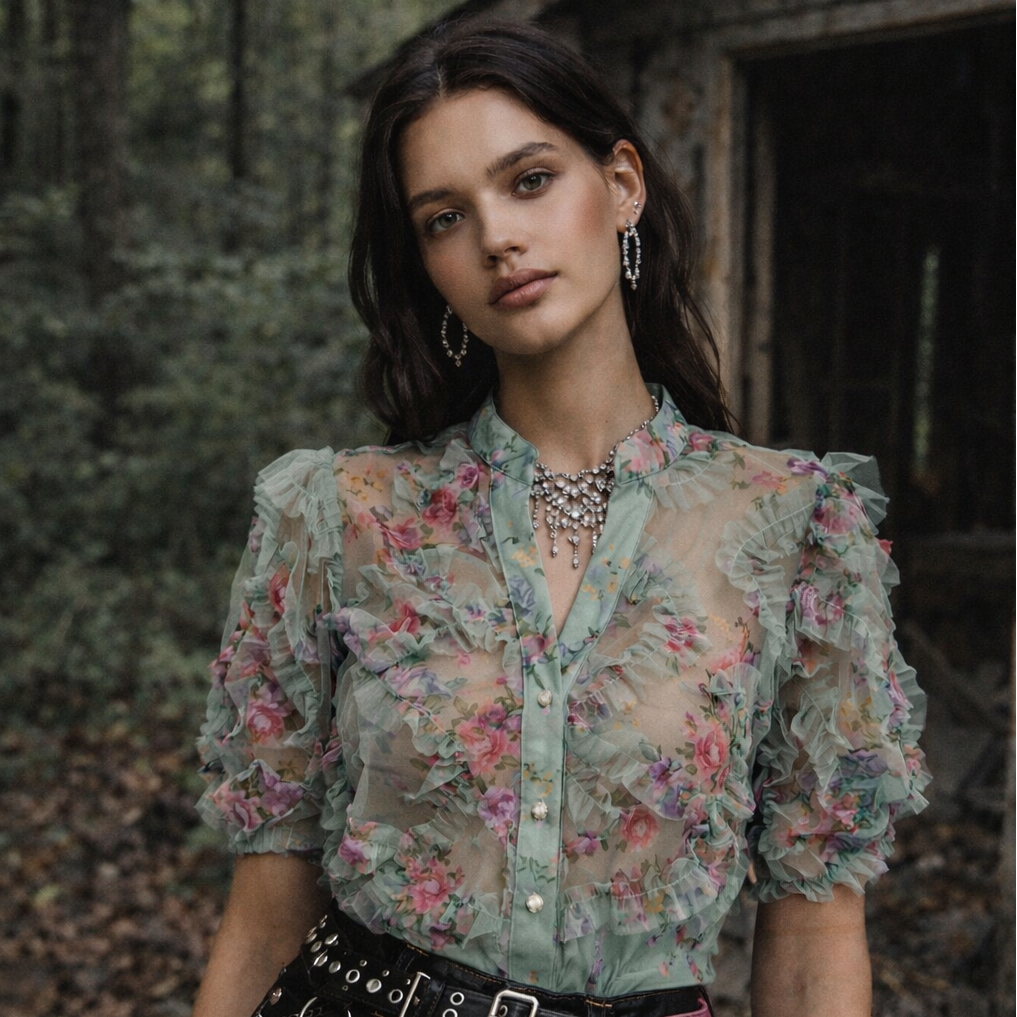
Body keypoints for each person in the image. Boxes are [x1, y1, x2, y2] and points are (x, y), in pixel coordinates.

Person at [191, 15, 930, 1017]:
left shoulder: (798, 529)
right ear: (427, 265)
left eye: (529, 179)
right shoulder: (333, 520)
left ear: (621, 184)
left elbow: (813, 942)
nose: (497, 236)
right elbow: (267, 916)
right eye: (443, 218)